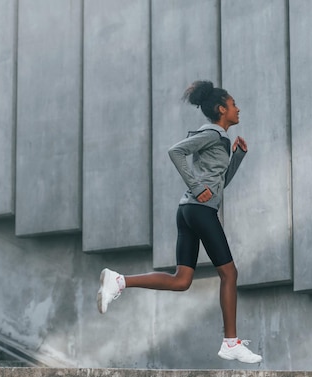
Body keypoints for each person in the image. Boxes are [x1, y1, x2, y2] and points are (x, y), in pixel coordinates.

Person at [96, 80, 262, 364]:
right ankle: (230, 343)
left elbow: (220, 184)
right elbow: (176, 151)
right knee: (230, 274)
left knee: (182, 280)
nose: (238, 109)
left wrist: (237, 157)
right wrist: (198, 187)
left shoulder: (219, 138)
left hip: (189, 210)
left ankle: (119, 281)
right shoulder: (211, 133)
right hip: (199, 210)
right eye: (234, 104)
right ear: (222, 109)